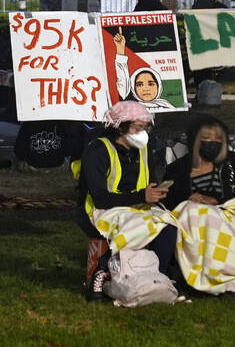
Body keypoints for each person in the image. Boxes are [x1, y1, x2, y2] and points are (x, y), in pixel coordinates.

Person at [163, 115, 235, 297]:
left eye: (218, 139)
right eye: (206, 139)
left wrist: (216, 202)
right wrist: (191, 200)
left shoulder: (229, 162)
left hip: (228, 216)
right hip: (194, 221)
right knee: (195, 213)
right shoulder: (177, 169)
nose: (213, 143)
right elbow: (168, 204)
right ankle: (229, 282)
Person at [74, 101, 176, 301]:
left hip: (136, 207)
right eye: (138, 128)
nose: (143, 133)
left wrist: (156, 192)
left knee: (169, 225)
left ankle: (156, 277)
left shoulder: (144, 150)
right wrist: (141, 197)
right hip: (100, 210)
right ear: (121, 127)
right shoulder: (97, 151)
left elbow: (150, 181)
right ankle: (102, 270)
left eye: (145, 128)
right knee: (138, 225)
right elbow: (101, 198)